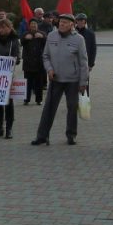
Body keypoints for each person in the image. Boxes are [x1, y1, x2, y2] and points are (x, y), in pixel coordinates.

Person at [32, 13, 89, 146]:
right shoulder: (51, 36)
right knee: (49, 109)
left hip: (73, 81)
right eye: (60, 22)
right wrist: (49, 69)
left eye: (65, 22)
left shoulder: (79, 39)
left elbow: (83, 62)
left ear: (72, 25)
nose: (61, 24)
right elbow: (45, 56)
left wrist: (83, 82)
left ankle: (71, 135)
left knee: (72, 108)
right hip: (55, 79)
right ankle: (42, 136)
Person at [21, 20, 47, 105]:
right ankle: (26, 99)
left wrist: (42, 37)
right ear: (29, 26)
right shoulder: (25, 34)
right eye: (32, 24)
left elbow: (47, 44)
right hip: (28, 63)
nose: (33, 26)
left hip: (39, 63)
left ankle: (39, 100)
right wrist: (25, 38)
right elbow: (21, 43)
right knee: (27, 83)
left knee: (39, 83)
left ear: (37, 25)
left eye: (35, 24)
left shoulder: (42, 33)